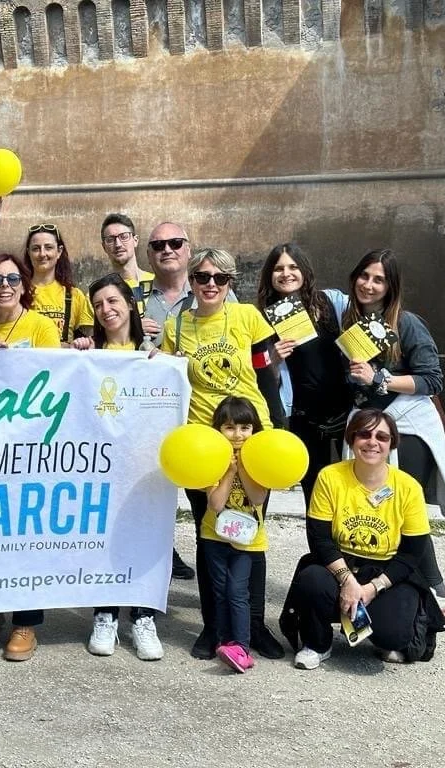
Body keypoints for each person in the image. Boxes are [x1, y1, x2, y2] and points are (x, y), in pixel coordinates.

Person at [160, 247, 286, 661]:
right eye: (202, 277)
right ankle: (213, 626)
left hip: (251, 438)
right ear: (191, 282)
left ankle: (253, 625)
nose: (210, 284)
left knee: (252, 535)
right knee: (208, 533)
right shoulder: (177, 325)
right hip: (203, 446)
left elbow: (268, 376)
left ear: (231, 283)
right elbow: (167, 375)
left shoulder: (248, 317)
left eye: (220, 278)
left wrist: (277, 431)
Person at [282, 410, 445, 668]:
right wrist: (347, 580)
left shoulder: (408, 487)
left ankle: (381, 634)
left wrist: (372, 588)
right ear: (351, 439)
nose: (373, 442)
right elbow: (320, 540)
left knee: (394, 635)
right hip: (339, 565)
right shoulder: (330, 477)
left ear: (391, 443)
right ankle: (317, 644)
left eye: (382, 436)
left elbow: (412, 552)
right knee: (311, 580)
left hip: (386, 569)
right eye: (364, 434)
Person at [340, 249, 445, 618]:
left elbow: (432, 378)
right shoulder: (349, 323)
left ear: (391, 287)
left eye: (379, 279)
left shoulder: (407, 323)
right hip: (369, 428)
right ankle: (392, 586)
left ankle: (435, 585)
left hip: (406, 428)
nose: (369, 285)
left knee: (407, 509)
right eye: (365, 276)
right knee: (377, 508)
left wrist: (381, 378)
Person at [0, 253, 60, 660]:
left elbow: (56, 381)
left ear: (25, 285)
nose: (5, 286)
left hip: (28, 447)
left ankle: (26, 622)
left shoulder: (41, 327)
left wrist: (12, 362)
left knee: (24, 535)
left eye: (13, 279)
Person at [74, 274, 165, 660]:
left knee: (145, 534)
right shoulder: (88, 353)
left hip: (144, 462)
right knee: (102, 534)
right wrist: (75, 352)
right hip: (98, 462)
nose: (106, 310)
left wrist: (165, 364)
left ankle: (142, 616)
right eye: (98, 305)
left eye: (113, 301)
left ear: (129, 303)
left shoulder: (154, 351)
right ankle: (105, 613)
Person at [141, 221, 219, 581]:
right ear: (150, 255)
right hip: (149, 420)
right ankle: (144, 597)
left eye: (175, 243)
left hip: (202, 425)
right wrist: (131, 327)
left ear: (188, 249)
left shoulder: (213, 287)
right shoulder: (135, 298)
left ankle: (214, 611)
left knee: (208, 516)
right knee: (147, 507)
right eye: (158, 245)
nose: (167, 250)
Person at [256, 243, 351, 506]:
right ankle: (320, 548)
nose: (286, 274)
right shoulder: (262, 318)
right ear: (269, 275)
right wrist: (273, 360)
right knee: (314, 492)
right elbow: (265, 380)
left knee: (350, 487)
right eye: (278, 269)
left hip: (345, 411)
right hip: (302, 417)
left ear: (305, 271)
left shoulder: (332, 301)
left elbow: (366, 319)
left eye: (293, 267)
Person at [202, 397, 270, 673]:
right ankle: (221, 641)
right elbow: (216, 504)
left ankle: (241, 647)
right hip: (214, 536)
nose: (238, 435)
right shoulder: (210, 461)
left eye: (245, 428)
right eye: (230, 428)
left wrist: (242, 466)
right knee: (219, 591)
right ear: (218, 430)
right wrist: (229, 470)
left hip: (247, 540)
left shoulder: (262, 461)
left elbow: (257, 497)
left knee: (237, 591)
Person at [0, 197, 93, 344]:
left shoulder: (74, 295)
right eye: (36, 249)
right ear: (28, 252)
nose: (42, 254)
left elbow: (88, 342)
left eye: (48, 247)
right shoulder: (15, 286)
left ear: (59, 251)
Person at [99, 213, 154, 320]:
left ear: (135, 240)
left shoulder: (157, 284)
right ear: (104, 247)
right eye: (110, 239)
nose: (118, 244)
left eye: (124, 237)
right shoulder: (99, 293)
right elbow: (94, 336)